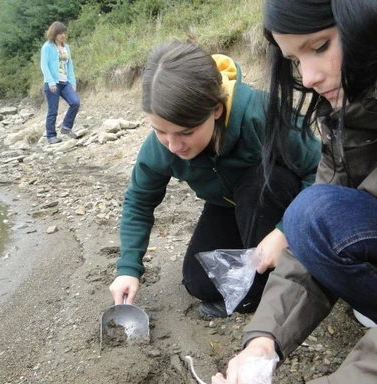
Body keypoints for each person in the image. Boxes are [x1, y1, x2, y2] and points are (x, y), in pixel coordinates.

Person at [212, 0, 377, 384]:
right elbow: (310, 236)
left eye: (320, 47)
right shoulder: (350, 115)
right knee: (310, 216)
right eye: (295, 60)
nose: (309, 77)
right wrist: (263, 342)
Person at [109, 40, 321, 318]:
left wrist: (284, 231)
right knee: (200, 283)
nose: (173, 145)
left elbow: (322, 170)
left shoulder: (262, 114)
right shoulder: (161, 149)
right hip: (227, 205)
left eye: (185, 132)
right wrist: (128, 269)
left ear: (216, 110)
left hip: (280, 202)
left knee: (258, 188)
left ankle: (286, 283)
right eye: (161, 131)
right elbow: (138, 201)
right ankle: (259, 281)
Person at [40, 21, 80, 144]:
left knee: (75, 103)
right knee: (53, 110)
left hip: (65, 82)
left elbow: (70, 65)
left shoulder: (66, 47)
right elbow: (44, 65)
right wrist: (51, 82)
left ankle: (66, 127)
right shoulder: (47, 47)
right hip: (53, 83)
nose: (63, 35)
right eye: (60, 33)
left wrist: (72, 82)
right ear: (54, 34)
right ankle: (51, 136)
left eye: (64, 33)